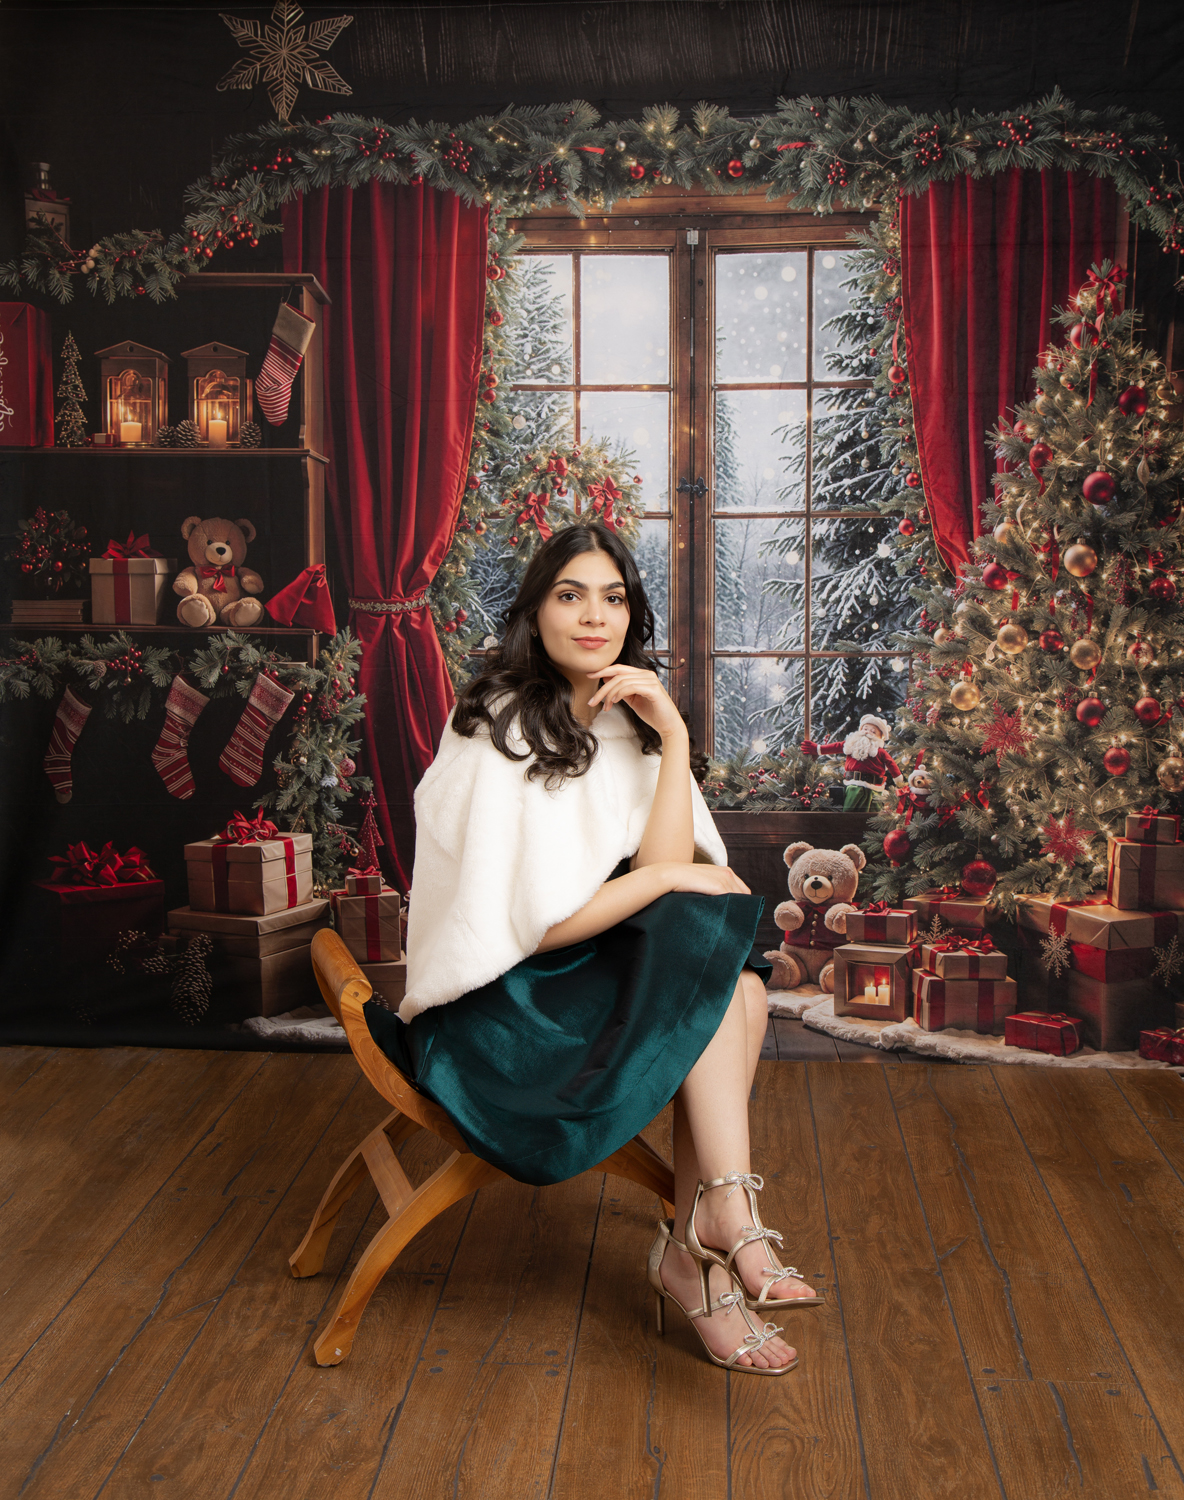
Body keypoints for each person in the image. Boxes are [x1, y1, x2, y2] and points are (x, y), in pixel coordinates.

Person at [365, 522, 820, 1374]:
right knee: (717, 958)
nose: (593, 616)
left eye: (612, 598)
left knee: (734, 981)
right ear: (534, 612)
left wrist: (674, 737)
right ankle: (709, 1244)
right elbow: (530, 927)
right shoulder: (492, 728)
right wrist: (667, 883)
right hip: (498, 1014)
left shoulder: (630, 720)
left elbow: (666, 865)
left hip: (573, 979)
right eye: (570, 595)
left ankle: (707, 1238)